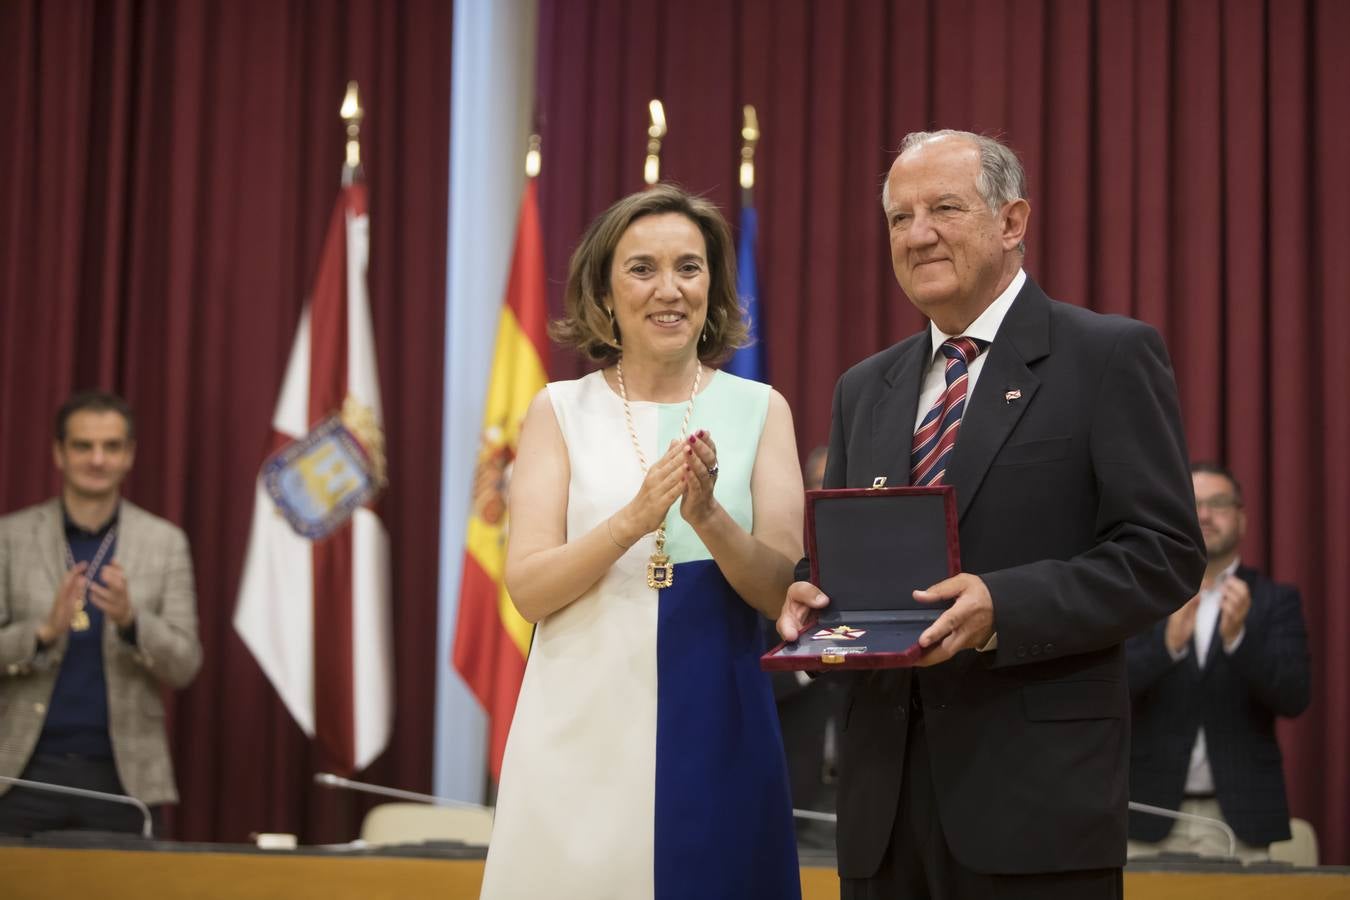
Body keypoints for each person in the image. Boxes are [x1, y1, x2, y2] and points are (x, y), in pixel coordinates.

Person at [777, 130, 1205, 898]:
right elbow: (840, 559)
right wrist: (810, 596)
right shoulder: (861, 389)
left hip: (1036, 808)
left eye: (944, 208)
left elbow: (1163, 552)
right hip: (881, 814)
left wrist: (1002, 605)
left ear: (1012, 223)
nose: (919, 234)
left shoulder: (1107, 357)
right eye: (899, 217)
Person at [480, 184, 804, 899]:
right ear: (604, 288)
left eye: (689, 267)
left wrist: (710, 517)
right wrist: (636, 517)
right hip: (579, 733)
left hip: (719, 724)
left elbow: (782, 593)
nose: (670, 289)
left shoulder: (761, 409)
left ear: (713, 285)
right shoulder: (559, 410)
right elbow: (529, 589)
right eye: (642, 268)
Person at [0, 391, 202, 836]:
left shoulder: (164, 541)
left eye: (111, 447)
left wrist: (133, 623)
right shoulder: (10, 537)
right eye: (82, 446)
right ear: (58, 453)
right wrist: (41, 632)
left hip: (125, 776)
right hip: (19, 770)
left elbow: (186, 663)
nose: (97, 459)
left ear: (129, 456)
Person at [1126, 463, 1311, 861]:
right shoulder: (1145, 596)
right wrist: (1168, 645)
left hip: (1241, 820)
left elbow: (1295, 697)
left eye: (1218, 504)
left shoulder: (1276, 600)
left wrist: (1239, 640)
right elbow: (1113, 687)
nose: (1206, 515)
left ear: (1242, 518)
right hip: (1146, 814)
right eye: (1195, 505)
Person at [770, 445, 845, 853]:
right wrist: (811, 662)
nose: (828, 491)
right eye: (818, 483)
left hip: (863, 780)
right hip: (796, 787)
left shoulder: (883, 551)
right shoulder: (780, 552)